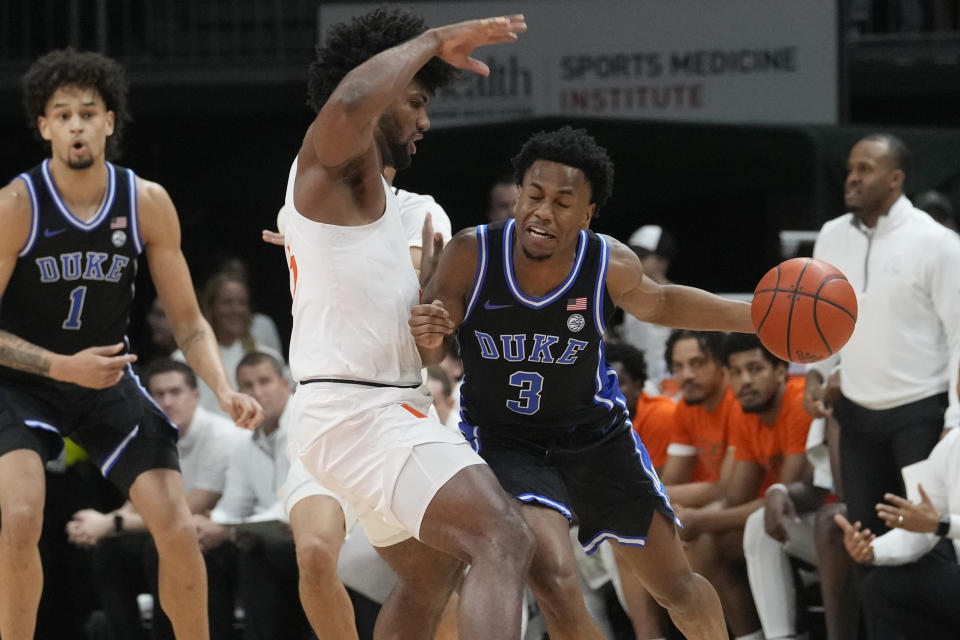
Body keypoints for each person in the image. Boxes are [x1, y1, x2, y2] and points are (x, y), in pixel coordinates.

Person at [415, 125, 754, 639]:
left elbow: (662, 303)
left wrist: (756, 317)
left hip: (597, 436)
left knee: (678, 588)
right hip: (508, 442)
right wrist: (429, 329)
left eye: (562, 202)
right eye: (533, 195)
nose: (542, 212)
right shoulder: (472, 253)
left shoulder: (608, 262)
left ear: (588, 214)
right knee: (554, 580)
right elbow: (433, 345)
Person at [283, 9, 534, 640]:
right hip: (357, 412)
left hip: (383, 405)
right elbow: (348, 104)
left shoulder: (390, 207)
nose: (426, 121)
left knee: (430, 580)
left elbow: (427, 357)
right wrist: (427, 43)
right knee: (503, 537)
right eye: (416, 101)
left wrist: (428, 336)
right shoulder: (337, 167)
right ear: (385, 93)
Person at [0, 49, 261, 640]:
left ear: (109, 122)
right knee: (19, 517)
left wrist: (222, 387)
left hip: (104, 378)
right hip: (22, 383)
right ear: (43, 126)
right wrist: (60, 365)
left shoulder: (145, 202)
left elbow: (190, 322)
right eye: (61, 114)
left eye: (87, 112)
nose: (75, 125)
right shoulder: (16, 205)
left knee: (175, 521)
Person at [805, 133, 960, 541]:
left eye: (865, 169)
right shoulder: (831, 235)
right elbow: (819, 313)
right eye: (850, 168)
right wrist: (816, 371)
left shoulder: (937, 243)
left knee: (926, 541)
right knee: (866, 541)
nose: (851, 178)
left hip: (921, 413)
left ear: (895, 179)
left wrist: (955, 418)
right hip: (856, 414)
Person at [69, 359, 243, 640]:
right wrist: (104, 524)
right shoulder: (150, 434)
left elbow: (185, 512)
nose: (167, 401)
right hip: (172, 530)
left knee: (162, 547)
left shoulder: (221, 437)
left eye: (175, 392)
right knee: (109, 552)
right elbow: (139, 496)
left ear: (195, 396)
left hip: (221, 538)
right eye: (158, 394)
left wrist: (111, 522)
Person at [677, 333, 812, 640]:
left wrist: (700, 519)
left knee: (753, 528)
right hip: (778, 523)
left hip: (817, 515)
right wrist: (687, 519)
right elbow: (736, 495)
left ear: (781, 372)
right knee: (703, 543)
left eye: (755, 369)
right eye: (736, 372)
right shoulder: (744, 412)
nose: (745, 381)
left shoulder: (798, 402)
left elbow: (784, 500)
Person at [190, 351, 313, 640]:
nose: (257, 392)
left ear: (285, 384)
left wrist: (226, 528)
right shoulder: (244, 441)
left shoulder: (307, 424)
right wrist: (209, 526)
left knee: (257, 554)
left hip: (318, 535)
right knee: (204, 550)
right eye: (247, 385)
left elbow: (295, 502)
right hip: (271, 541)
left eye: (265, 382)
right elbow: (235, 502)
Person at [835, 427, 960, 639]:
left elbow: (936, 523)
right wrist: (872, 549)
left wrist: (943, 524)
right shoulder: (951, 446)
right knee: (880, 586)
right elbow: (920, 527)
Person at [173, 271, 284, 417]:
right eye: (227, 302)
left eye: (242, 303)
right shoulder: (184, 358)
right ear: (211, 307)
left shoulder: (267, 357)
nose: (236, 310)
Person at [660, 330, 740, 507]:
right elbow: (673, 480)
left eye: (697, 363)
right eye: (678, 366)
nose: (687, 375)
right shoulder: (685, 406)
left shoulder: (739, 402)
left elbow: (726, 488)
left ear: (723, 364)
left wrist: (641, 498)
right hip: (709, 504)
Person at [619, 224, 678, 393]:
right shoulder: (626, 298)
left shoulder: (677, 298)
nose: (636, 260)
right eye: (633, 254)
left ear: (662, 259)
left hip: (670, 390)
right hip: (638, 390)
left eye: (642, 255)